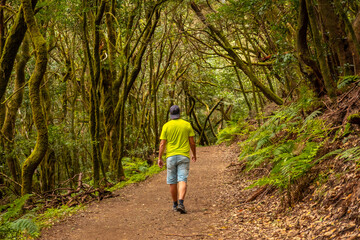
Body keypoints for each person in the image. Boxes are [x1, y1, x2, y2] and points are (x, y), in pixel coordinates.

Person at [158, 105, 197, 214]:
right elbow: (192, 142)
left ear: (170, 114)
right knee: (182, 179)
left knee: (172, 181)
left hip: (170, 157)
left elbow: (162, 143)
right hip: (184, 156)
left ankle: (175, 204)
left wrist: (159, 158)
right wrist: (194, 154)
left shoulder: (166, 126)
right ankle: (181, 203)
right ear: (180, 113)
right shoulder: (187, 125)